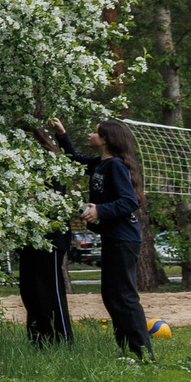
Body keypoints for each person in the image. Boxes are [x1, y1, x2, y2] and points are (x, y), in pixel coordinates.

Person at [51, 114, 151, 356]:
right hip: (113, 237)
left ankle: (143, 354)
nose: (90, 135)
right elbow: (74, 158)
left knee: (124, 297)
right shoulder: (100, 164)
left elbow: (129, 201)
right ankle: (128, 351)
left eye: (95, 132)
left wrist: (100, 210)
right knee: (111, 296)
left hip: (124, 239)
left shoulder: (116, 166)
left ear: (106, 139)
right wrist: (61, 134)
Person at [18, 121, 76, 344]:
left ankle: (62, 340)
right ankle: (38, 338)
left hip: (51, 236)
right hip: (28, 235)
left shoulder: (51, 162)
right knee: (30, 288)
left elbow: (53, 199)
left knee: (49, 288)